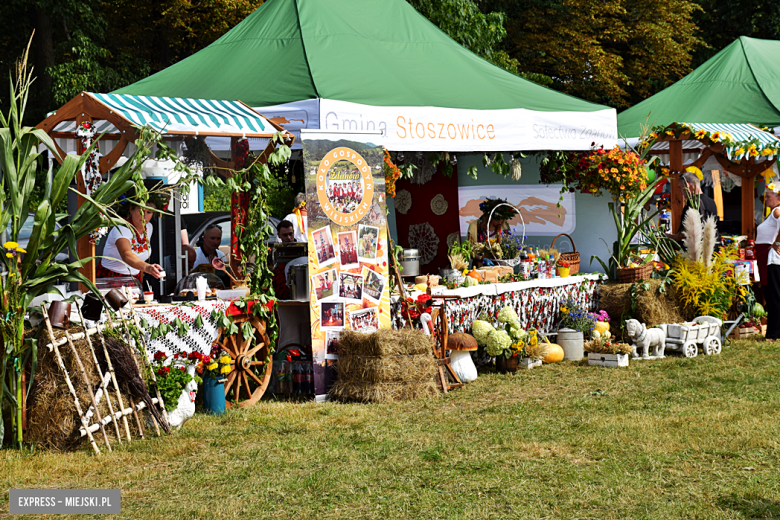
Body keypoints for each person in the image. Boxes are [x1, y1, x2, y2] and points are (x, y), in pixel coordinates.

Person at [98, 200, 164, 286]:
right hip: (111, 278)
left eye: (149, 212)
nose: (145, 216)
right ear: (131, 210)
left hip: (134, 279)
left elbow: (140, 259)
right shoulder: (121, 229)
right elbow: (126, 254)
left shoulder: (149, 227)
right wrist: (147, 267)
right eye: (141, 211)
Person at [756, 182, 780, 341]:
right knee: (773, 297)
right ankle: (774, 334)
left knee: (774, 297)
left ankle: (773, 334)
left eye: (768, 196)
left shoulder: (777, 211)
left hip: (772, 258)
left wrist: (777, 243)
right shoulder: (774, 212)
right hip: (768, 257)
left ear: (778, 198)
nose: (765, 199)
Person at [667, 172, 718, 241]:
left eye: (680, 187)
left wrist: (671, 237)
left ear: (687, 185)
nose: (680, 191)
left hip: (694, 248)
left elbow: (689, 230)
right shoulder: (711, 201)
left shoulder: (693, 203)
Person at [272, 220, 296, 300]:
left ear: (294, 232)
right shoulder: (272, 252)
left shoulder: (305, 248)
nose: (289, 238)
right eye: (285, 235)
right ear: (278, 235)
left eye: (290, 234)